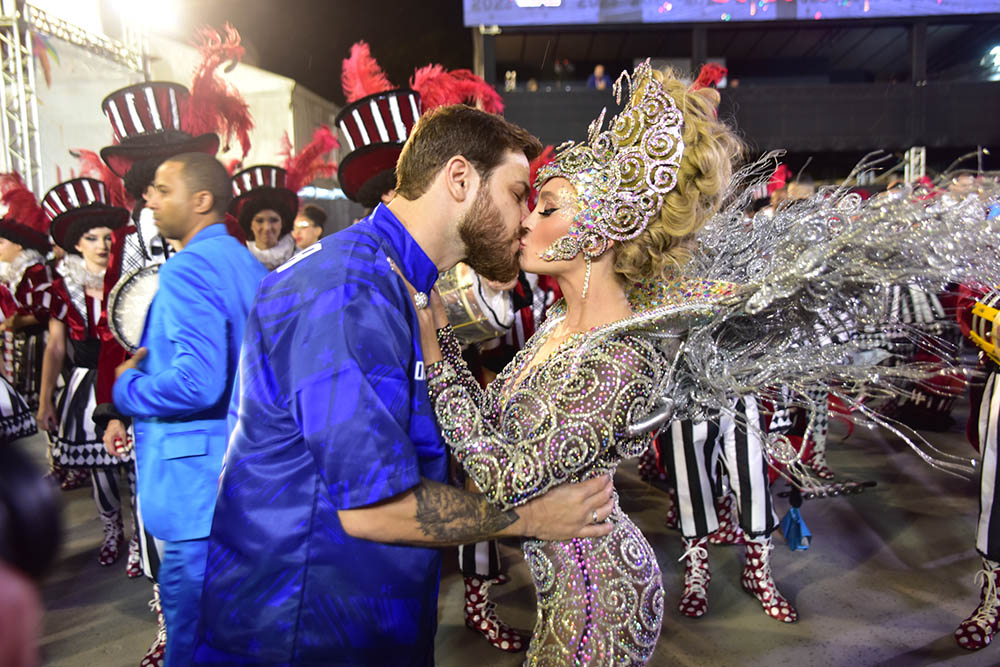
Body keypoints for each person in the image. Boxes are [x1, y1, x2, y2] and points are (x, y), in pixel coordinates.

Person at [193, 105, 615, 665]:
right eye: (517, 194)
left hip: (365, 616)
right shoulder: (348, 288)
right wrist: (535, 517)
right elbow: (374, 509)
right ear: (460, 179)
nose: (524, 221)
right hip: (304, 629)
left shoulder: (400, 282)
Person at [409, 62, 740, 664]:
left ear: (601, 232)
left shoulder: (621, 357)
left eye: (550, 208)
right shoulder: (561, 326)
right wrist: (446, 343)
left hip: (603, 597)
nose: (527, 221)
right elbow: (493, 424)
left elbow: (505, 478)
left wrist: (437, 356)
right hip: (561, 582)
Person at [111, 152, 267, 667]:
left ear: (201, 201)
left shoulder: (186, 271)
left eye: (161, 189)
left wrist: (127, 387)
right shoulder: (247, 263)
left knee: (192, 647)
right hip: (243, 481)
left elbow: (197, 384)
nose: (149, 200)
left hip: (194, 494)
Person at [35, 178, 131, 568]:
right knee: (100, 468)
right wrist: (45, 401)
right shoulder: (61, 288)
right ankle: (112, 530)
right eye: (92, 238)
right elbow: (56, 348)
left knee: (134, 460)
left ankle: (142, 541)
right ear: (77, 244)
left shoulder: (128, 277)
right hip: (83, 383)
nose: (104, 244)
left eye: (108, 236)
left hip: (125, 375)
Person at [231, 165, 298, 269]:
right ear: (250, 224)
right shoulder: (237, 260)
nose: (267, 227)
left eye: (274, 220)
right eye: (259, 221)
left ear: (283, 223)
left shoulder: (299, 258)